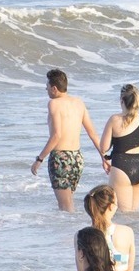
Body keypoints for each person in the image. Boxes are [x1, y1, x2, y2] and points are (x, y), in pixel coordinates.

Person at [32, 69, 103, 211]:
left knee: (65, 207)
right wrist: (104, 157)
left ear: (54, 88)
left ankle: (71, 233)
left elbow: (56, 135)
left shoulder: (54, 104)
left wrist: (39, 159)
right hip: (77, 159)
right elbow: (93, 133)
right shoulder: (79, 103)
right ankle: (73, 231)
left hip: (61, 159)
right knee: (69, 203)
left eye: (47, 86)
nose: (45, 88)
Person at [99, 84, 139, 212]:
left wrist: (106, 157)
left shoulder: (114, 119)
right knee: (134, 212)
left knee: (123, 214)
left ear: (122, 101)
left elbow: (103, 147)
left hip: (122, 166)